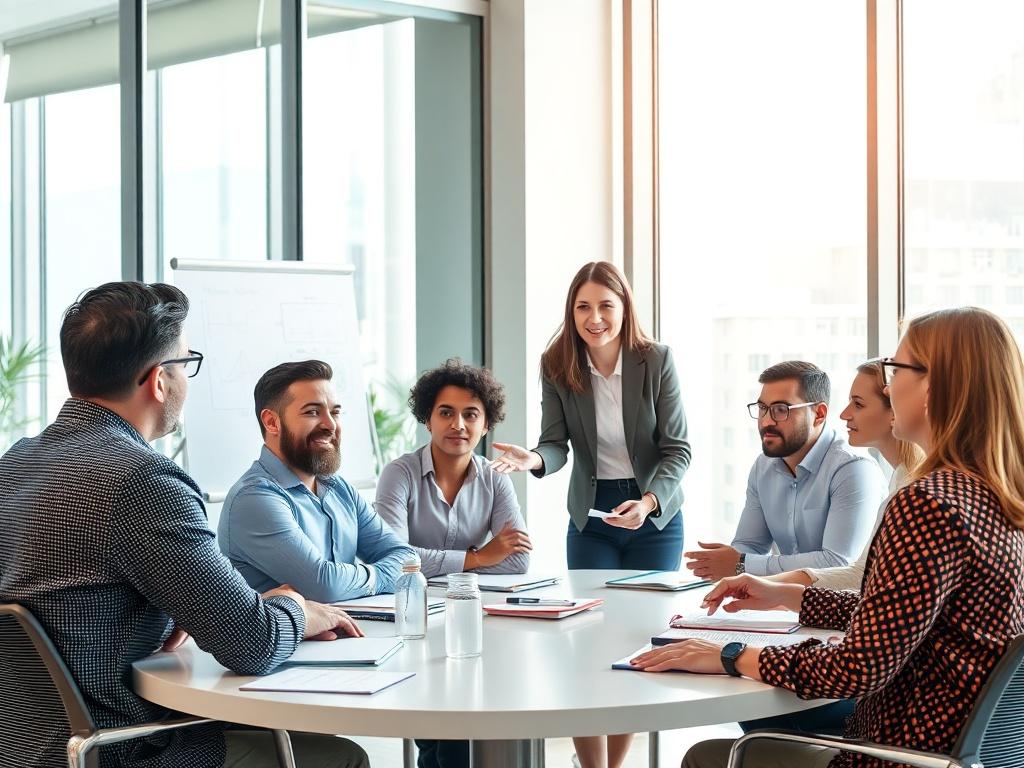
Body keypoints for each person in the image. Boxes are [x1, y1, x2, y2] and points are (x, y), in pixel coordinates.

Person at [630, 307, 1024, 768]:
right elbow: (898, 615)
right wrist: (789, 596)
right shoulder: (995, 495)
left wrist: (731, 655)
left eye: (895, 370)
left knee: (707, 757)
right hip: (977, 755)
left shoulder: (928, 503)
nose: (889, 385)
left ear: (934, 385)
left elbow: (858, 667)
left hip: (898, 755)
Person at [0, 282, 368, 768]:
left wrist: (169, 616)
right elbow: (253, 644)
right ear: (158, 381)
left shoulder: (17, 462)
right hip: (120, 747)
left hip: (25, 746)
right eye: (186, 363)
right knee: (340, 758)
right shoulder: (142, 478)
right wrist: (295, 607)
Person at [491, 261, 690, 768]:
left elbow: (678, 450)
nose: (595, 317)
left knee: (636, 646)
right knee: (586, 647)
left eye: (606, 305)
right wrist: (533, 460)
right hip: (592, 515)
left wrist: (647, 503)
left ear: (624, 309)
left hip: (653, 517)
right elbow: (555, 445)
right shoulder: (558, 364)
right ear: (571, 311)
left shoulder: (655, 360)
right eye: (584, 306)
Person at [736, 359, 924, 736]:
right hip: (904, 697)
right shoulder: (905, 480)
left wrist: (734, 657)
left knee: (755, 714)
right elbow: (866, 580)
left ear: (895, 410)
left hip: (897, 717)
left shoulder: (913, 496)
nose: (843, 413)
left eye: (858, 403)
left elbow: (861, 662)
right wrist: (779, 591)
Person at [219, 360, 414, 602]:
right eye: (312, 412)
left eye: (334, 412)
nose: (330, 425)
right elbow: (324, 586)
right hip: (294, 640)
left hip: (356, 634)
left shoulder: (340, 489)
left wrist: (354, 579)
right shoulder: (254, 499)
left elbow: (407, 559)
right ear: (271, 422)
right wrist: (379, 577)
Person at [684, 361, 886, 583]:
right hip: (781, 604)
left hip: (841, 610)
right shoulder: (763, 467)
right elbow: (750, 545)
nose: (766, 421)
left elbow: (837, 563)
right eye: (762, 408)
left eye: (781, 410)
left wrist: (741, 564)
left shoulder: (853, 469)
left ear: (819, 414)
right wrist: (727, 564)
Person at [375, 358, 531, 579]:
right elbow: (394, 559)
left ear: (486, 425)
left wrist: (431, 565)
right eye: (446, 413)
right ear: (428, 420)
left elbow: (518, 560)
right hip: (409, 600)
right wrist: (478, 558)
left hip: (468, 598)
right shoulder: (400, 474)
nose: (458, 425)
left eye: (470, 415)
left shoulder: (495, 477)